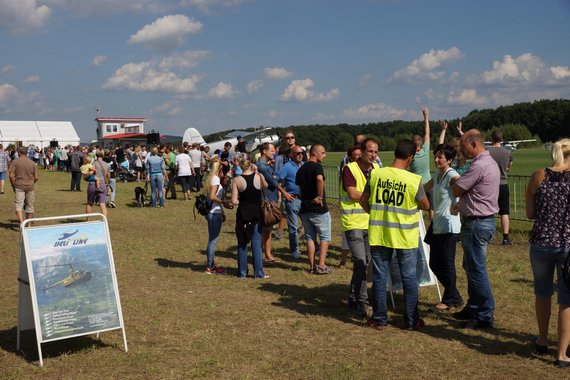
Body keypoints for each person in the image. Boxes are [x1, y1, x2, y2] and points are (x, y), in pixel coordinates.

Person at [360, 140, 430, 330]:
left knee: (381, 277)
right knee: (409, 278)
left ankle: (379, 318)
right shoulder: (413, 180)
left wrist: (374, 213)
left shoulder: (376, 174)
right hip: (404, 236)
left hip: (380, 233)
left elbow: (363, 200)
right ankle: (411, 320)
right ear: (410, 158)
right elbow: (426, 205)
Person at [525, 138, 570, 367]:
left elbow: (530, 213)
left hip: (541, 242)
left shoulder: (537, 175)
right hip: (567, 243)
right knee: (567, 298)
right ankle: (561, 353)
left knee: (542, 292)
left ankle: (542, 339)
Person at [451, 129, 500, 329]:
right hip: (482, 221)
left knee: (476, 269)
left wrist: (454, 180)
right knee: (470, 266)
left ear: (473, 144)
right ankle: (473, 306)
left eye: (463, 147)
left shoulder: (479, 166)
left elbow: (457, 189)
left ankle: (485, 313)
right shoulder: (489, 162)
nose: (462, 152)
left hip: (476, 223)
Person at [341, 138, 380, 317]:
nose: (373, 155)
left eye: (376, 152)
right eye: (370, 151)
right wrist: (370, 198)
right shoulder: (349, 169)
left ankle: (353, 296)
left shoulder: (378, 170)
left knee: (364, 264)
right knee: (360, 262)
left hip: (371, 223)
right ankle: (362, 302)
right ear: (362, 152)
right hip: (354, 222)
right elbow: (352, 193)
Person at [424, 144, 463, 311]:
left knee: (447, 264)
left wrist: (459, 206)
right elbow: (425, 187)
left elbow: (464, 187)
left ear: (449, 160)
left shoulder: (451, 174)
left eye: (440, 157)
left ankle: (449, 300)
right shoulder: (438, 173)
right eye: (436, 156)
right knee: (434, 263)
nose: (436, 159)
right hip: (437, 224)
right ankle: (455, 296)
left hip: (449, 226)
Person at [296, 144, 332, 274]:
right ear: (314, 153)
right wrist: (319, 197)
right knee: (324, 237)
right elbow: (319, 179)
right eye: (322, 152)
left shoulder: (301, 168)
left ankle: (311, 267)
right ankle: (321, 265)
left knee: (310, 237)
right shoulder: (317, 167)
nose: (324, 155)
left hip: (305, 207)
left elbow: (300, 189)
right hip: (318, 209)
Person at [231, 158, 269, 279]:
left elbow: (234, 201)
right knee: (256, 244)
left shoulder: (237, 180)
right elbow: (265, 187)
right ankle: (258, 272)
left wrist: (238, 200)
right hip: (256, 213)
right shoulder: (258, 177)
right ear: (251, 165)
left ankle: (242, 272)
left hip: (243, 214)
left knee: (242, 242)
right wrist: (258, 172)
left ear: (240, 166)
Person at [256, 142, 294, 264]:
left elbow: (276, 176)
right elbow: (274, 180)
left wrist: (275, 176)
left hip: (270, 199)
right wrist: (283, 190)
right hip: (266, 201)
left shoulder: (266, 165)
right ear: (264, 151)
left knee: (268, 230)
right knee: (264, 230)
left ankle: (267, 254)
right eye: (272, 151)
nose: (274, 153)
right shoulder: (261, 166)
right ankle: (260, 256)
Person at [204, 158, 233, 274]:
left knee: (211, 240)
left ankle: (210, 264)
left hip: (212, 212)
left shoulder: (209, 178)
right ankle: (210, 267)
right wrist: (224, 203)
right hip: (214, 213)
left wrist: (223, 211)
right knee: (213, 241)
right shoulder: (215, 179)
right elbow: (212, 197)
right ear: (219, 167)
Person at [278, 145, 305, 259]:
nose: (300, 155)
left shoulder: (304, 165)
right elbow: (277, 182)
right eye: (297, 153)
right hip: (293, 200)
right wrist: (285, 194)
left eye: (301, 153)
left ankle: (315, 247)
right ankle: (294, 250)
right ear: (291, 155)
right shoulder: (287, 167)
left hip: (305, 199)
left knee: (309, 225)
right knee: (293, 227)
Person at [338, 146, 362, 268]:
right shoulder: (348, 170)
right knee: (347, 239)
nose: (358, 157)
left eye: (360, 154)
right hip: (351, 214)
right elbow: (352, 194)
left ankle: (350, 259)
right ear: (350, 157)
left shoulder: (369, 168)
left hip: (365, 215)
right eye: (355, 155)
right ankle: (343, 260)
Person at [487, 130, 513, 246]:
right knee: (504, 212)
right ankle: (505, 238)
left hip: (490, 184)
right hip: (503, 183)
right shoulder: (508, 152)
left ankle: (489, 236)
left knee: (488, 211)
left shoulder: (487, 151)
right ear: (502, 139)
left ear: (492, 139)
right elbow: (509, 167)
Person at [409, 107, 432, 219]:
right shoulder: (426, 150)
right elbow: (427, 133)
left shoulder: (410, 156)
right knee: (431, 208)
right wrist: (426, 117)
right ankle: (433, 228)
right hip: (429, 183)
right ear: (421, 142)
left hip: (416, 185)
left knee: (417, 209)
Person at [9, 146, 39, 223]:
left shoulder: (15, 162)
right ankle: (28, 225)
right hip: (30, 186)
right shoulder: (32, 162)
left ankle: (22, 223)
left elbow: (11, 176)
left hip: (19, 186)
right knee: (30, 206)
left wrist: (13, 185)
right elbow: (36, 177)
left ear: (19, 152)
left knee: (19, 206)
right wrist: (32, 182)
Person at [86, 151, 110, 218]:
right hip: (102, 184)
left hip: (93, 184)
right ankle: (104, 221)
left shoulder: (94, 163)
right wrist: (107, 185)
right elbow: (108, 177)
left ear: (96, 156)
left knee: (90, 203)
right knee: (102, 204)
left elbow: (90, 173)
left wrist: (86, 176)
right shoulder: (107, 165)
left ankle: (89, 220)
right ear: (103, 156)